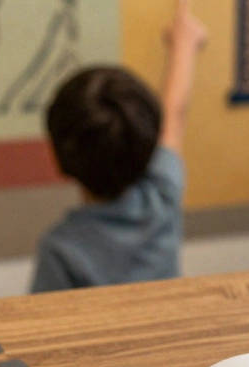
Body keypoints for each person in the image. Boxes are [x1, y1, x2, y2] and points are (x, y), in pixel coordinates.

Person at [30, 0, 207, 293]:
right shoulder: (162, 199)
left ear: (58, 157)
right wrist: (184, 44)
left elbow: (38, 333)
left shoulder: (61, 251)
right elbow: (174, 118)